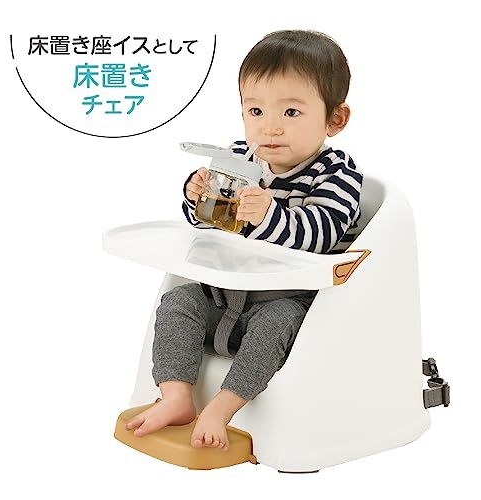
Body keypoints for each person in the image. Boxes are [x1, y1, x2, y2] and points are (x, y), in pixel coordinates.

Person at [125, 29, 363, 452]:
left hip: (286, 302)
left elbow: (322, 235)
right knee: (178, 302)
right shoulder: (239, 158)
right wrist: (197, 197)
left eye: (291, 111)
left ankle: (223, 407)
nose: (270, 126)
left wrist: (271, 215)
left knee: (275, 324)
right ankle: (176, 396)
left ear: (334, 120)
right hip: (223, 297)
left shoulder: (336, 174)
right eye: (255, 110)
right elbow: (206, 227)